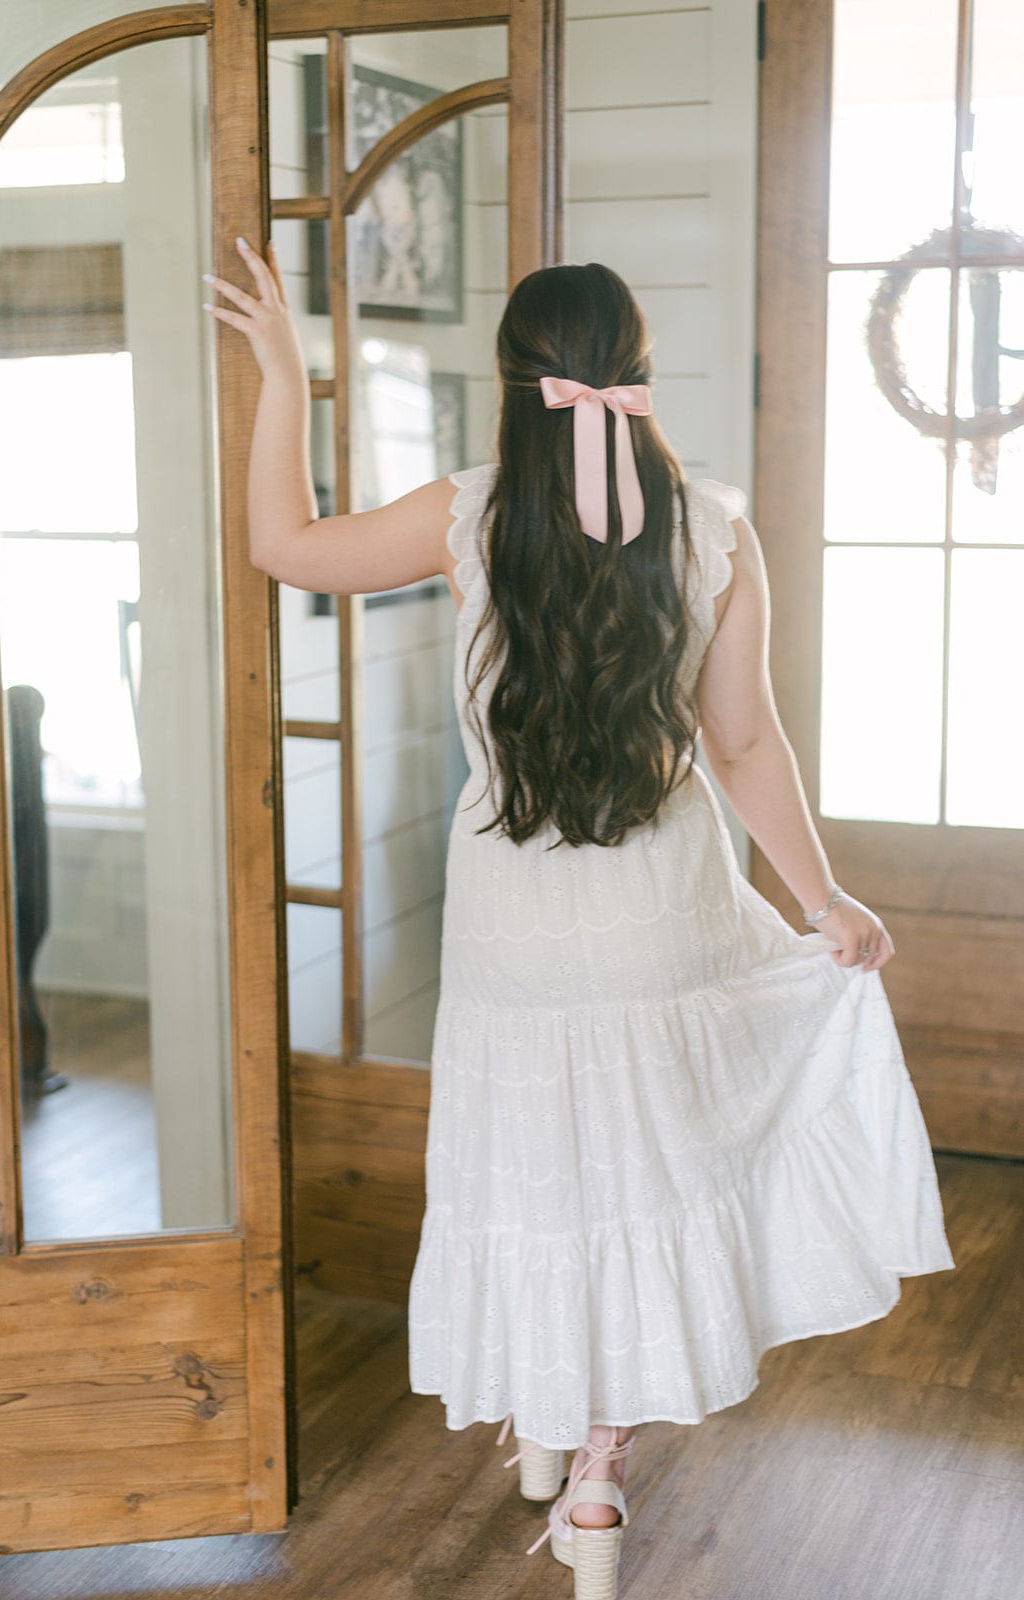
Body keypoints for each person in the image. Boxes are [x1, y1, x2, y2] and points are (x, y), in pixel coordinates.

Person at [204, 242, 956, 1599]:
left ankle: (551, 1433)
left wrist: (285, 376)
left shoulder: (471, 512)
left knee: (539, 1169)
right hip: (662, 906)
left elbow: (281, 548)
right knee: (650, 1171)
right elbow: (743, 748)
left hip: (513, 922)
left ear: (515, 386)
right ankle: (598, 1471)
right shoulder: (712, 519)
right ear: (637, 375)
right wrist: (822, 900)